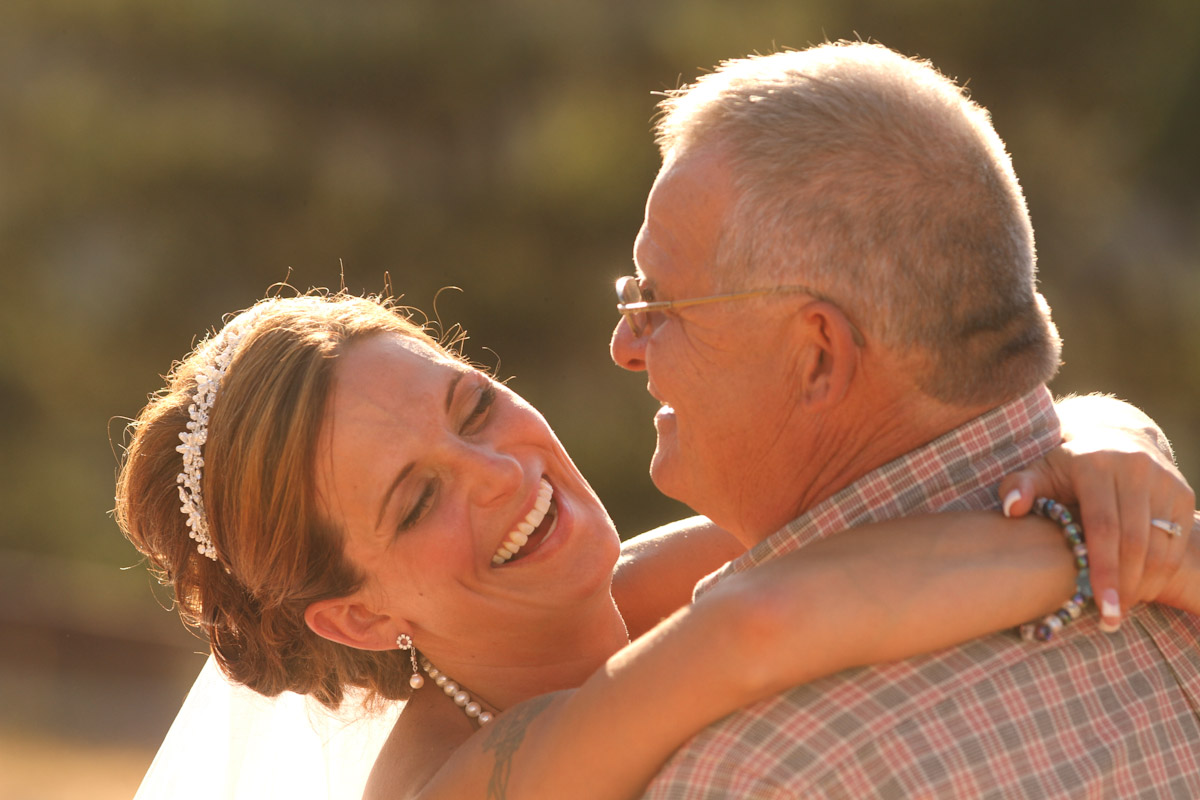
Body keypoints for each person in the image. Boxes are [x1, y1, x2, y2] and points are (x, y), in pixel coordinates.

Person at [118, 293, 1197, 800]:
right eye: (416, 499)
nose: (506, 471)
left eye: (472, 405)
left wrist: (1108, 437)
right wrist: (1142, 552)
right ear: (358, 614)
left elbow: (964, 463)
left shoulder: (655, 572)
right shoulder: (444, 788)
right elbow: (757, 625)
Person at [607, 41, 1200, 797]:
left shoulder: (760, 769)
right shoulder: (1173, 580)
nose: (625, 345)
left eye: (657, 306)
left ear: (818, 356)